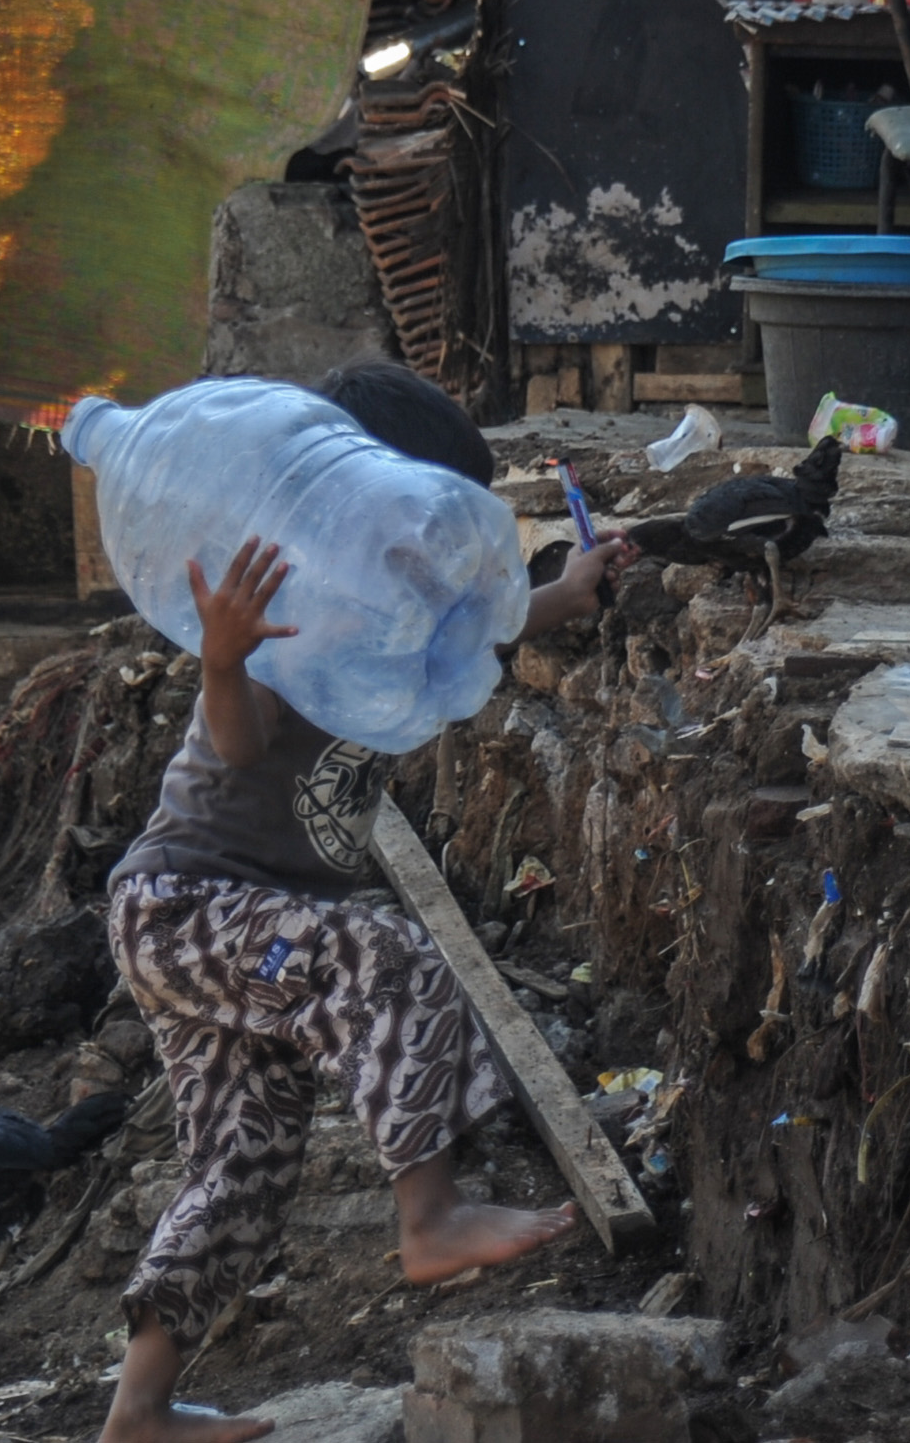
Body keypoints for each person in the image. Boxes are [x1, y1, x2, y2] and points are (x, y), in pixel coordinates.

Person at [97, 359, 621, 1443]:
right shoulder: (284, 608)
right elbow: (237, 753)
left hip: (240, 932)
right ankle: (426, 1219)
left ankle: (138, 1411)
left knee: (242, 1159)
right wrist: (223, 662)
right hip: (187, 904)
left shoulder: (388, 612)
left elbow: (473, 639)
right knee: (387, 954)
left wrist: (568, 591)